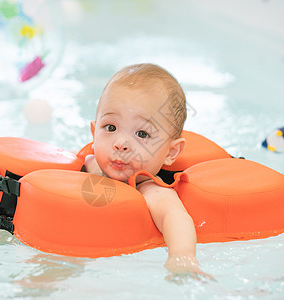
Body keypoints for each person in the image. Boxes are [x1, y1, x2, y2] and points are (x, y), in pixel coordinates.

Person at [84, 63, 212, 279]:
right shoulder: (89, 163)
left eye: (142, 134)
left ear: (171, 152)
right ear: (93, 133)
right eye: (111, 128)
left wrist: (182, 258)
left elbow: (175, 217)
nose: (121, 143)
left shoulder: (152, 191)